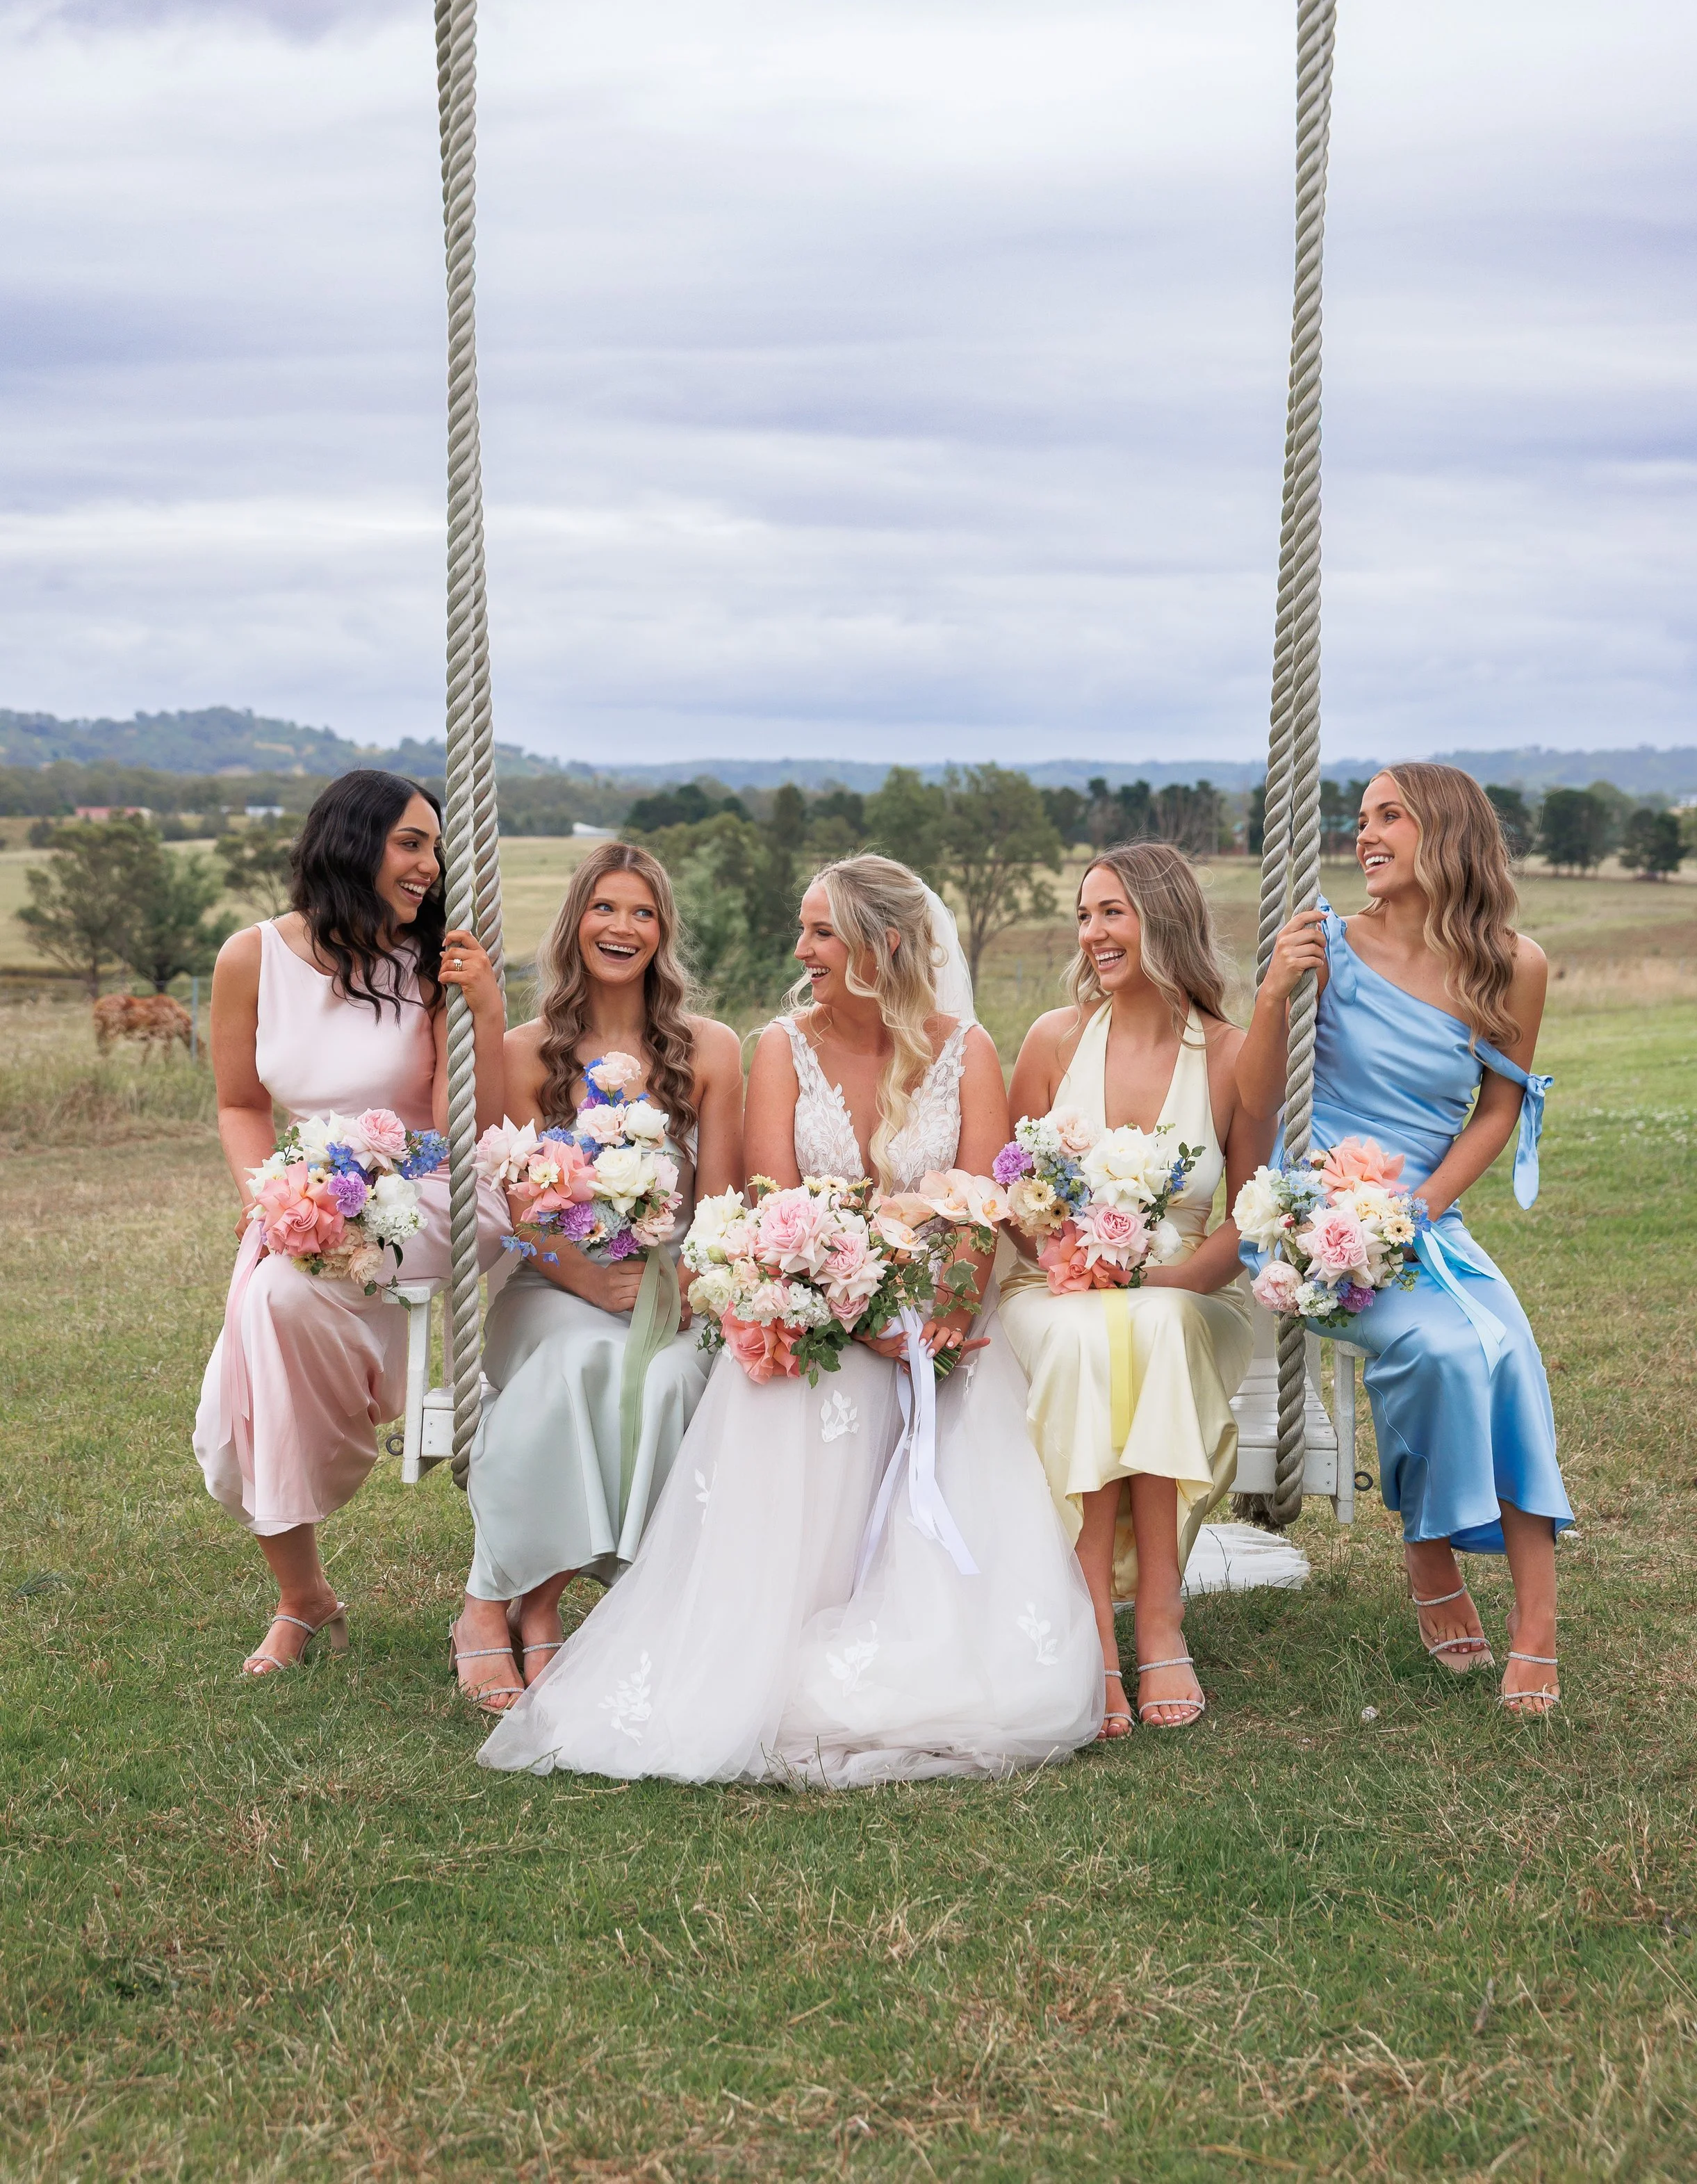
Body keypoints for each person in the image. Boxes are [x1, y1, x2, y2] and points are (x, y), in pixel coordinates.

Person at [478, 854, 1102, 1786]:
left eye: (820, 931)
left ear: (881, 943)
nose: (801, 948)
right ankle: (757, 1636)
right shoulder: (782, 1046)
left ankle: (922, 1636)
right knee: (789, 1392)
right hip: (815, 1307)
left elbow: (979, 1208)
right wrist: (855, 1315)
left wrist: (944, 1314)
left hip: (936, 1327)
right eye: (805, 927)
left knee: (955, 1396)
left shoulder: (966, 1047)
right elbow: (770, 1208)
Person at [1239, 763, 1568, 1715]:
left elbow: (1497, 1109)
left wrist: (1419, 1209)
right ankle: (1432, 1565)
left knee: (1508, 1351)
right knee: (1436, 1348)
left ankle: (1538, 1628)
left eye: (1391, 816)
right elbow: (1259, 1101)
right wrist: (1274, 993)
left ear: (1448, 832)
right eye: (1361, 818)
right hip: (1312, 1219)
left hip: (1423, 1212)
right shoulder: (1328, 946)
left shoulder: (1512, 963)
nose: (1365, 833)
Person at [195, 771, 507, 1677]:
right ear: (352, 841)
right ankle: (305, 1599)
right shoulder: (250, 957)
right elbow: (238, 1101)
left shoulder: (436, 957)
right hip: (313, 1198)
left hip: (436, 1192)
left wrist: (483, 1006)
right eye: (410, 842)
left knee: (284, 1299)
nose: (428, 864)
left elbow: (470, 1121)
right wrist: (270, 1199)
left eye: (434, 847)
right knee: (269, 1308)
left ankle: (367, 1393)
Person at [449, 843, 743, 1714]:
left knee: (664, 1377)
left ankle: (547, 1604)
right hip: (548, 1289)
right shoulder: (523, 1051)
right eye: (605, 909)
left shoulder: (713, 1051)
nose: (623, 928)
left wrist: (680, 1282)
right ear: (576, 923)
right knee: (582, 1361)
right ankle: (486, 1602)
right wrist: (579, 1276)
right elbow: (513, 1204)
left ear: (663, 933)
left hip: (670, 1286)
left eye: (643, 913)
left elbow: (720, 1205)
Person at [1001, 845, 1269, 1736]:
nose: (1092, 933)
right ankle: (1096, 1638)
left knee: (1149, 1325)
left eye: (1110, 912)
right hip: (1055, 1291)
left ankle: (1158, 1619)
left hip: (1188, 1291)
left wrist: (1165, 1273)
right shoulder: (1053, 1040)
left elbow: (1252, 1212)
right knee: (1090, 1336)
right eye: (1085, 916)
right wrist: (1068, 1255)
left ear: (1161, 916)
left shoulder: (1229, 1055)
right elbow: (1012, 1195)